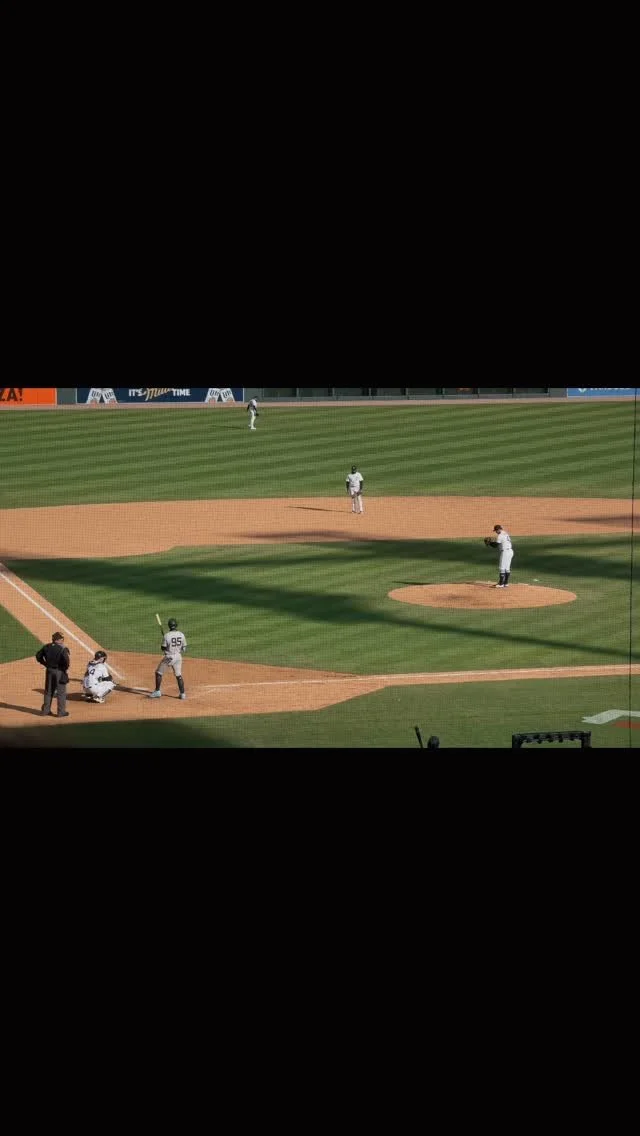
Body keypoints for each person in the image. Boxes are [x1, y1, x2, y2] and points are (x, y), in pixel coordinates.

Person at [148, 618, 187, 699]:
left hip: (169, 657)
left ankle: (157, 691)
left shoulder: (167, 636)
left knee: (158, 673)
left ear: (169, 626)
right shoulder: (181, 634)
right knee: (178, 675)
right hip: (178, 657)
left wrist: (168, 648)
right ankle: (182, 694)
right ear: (176, 625)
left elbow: (163, 648)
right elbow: (184, 648)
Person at [36, 631, 71, 717]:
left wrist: (45, 663)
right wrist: (64, 669)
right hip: (59, 671)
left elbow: (38, 656)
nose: (62, 640)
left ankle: (45, 711)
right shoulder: (62, 649)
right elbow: (66, 661)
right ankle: (61, 712)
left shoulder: (47, 646)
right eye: (62, 639)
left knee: (48, 691)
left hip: (49, 671)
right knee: (61, 692)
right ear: (58, 640)